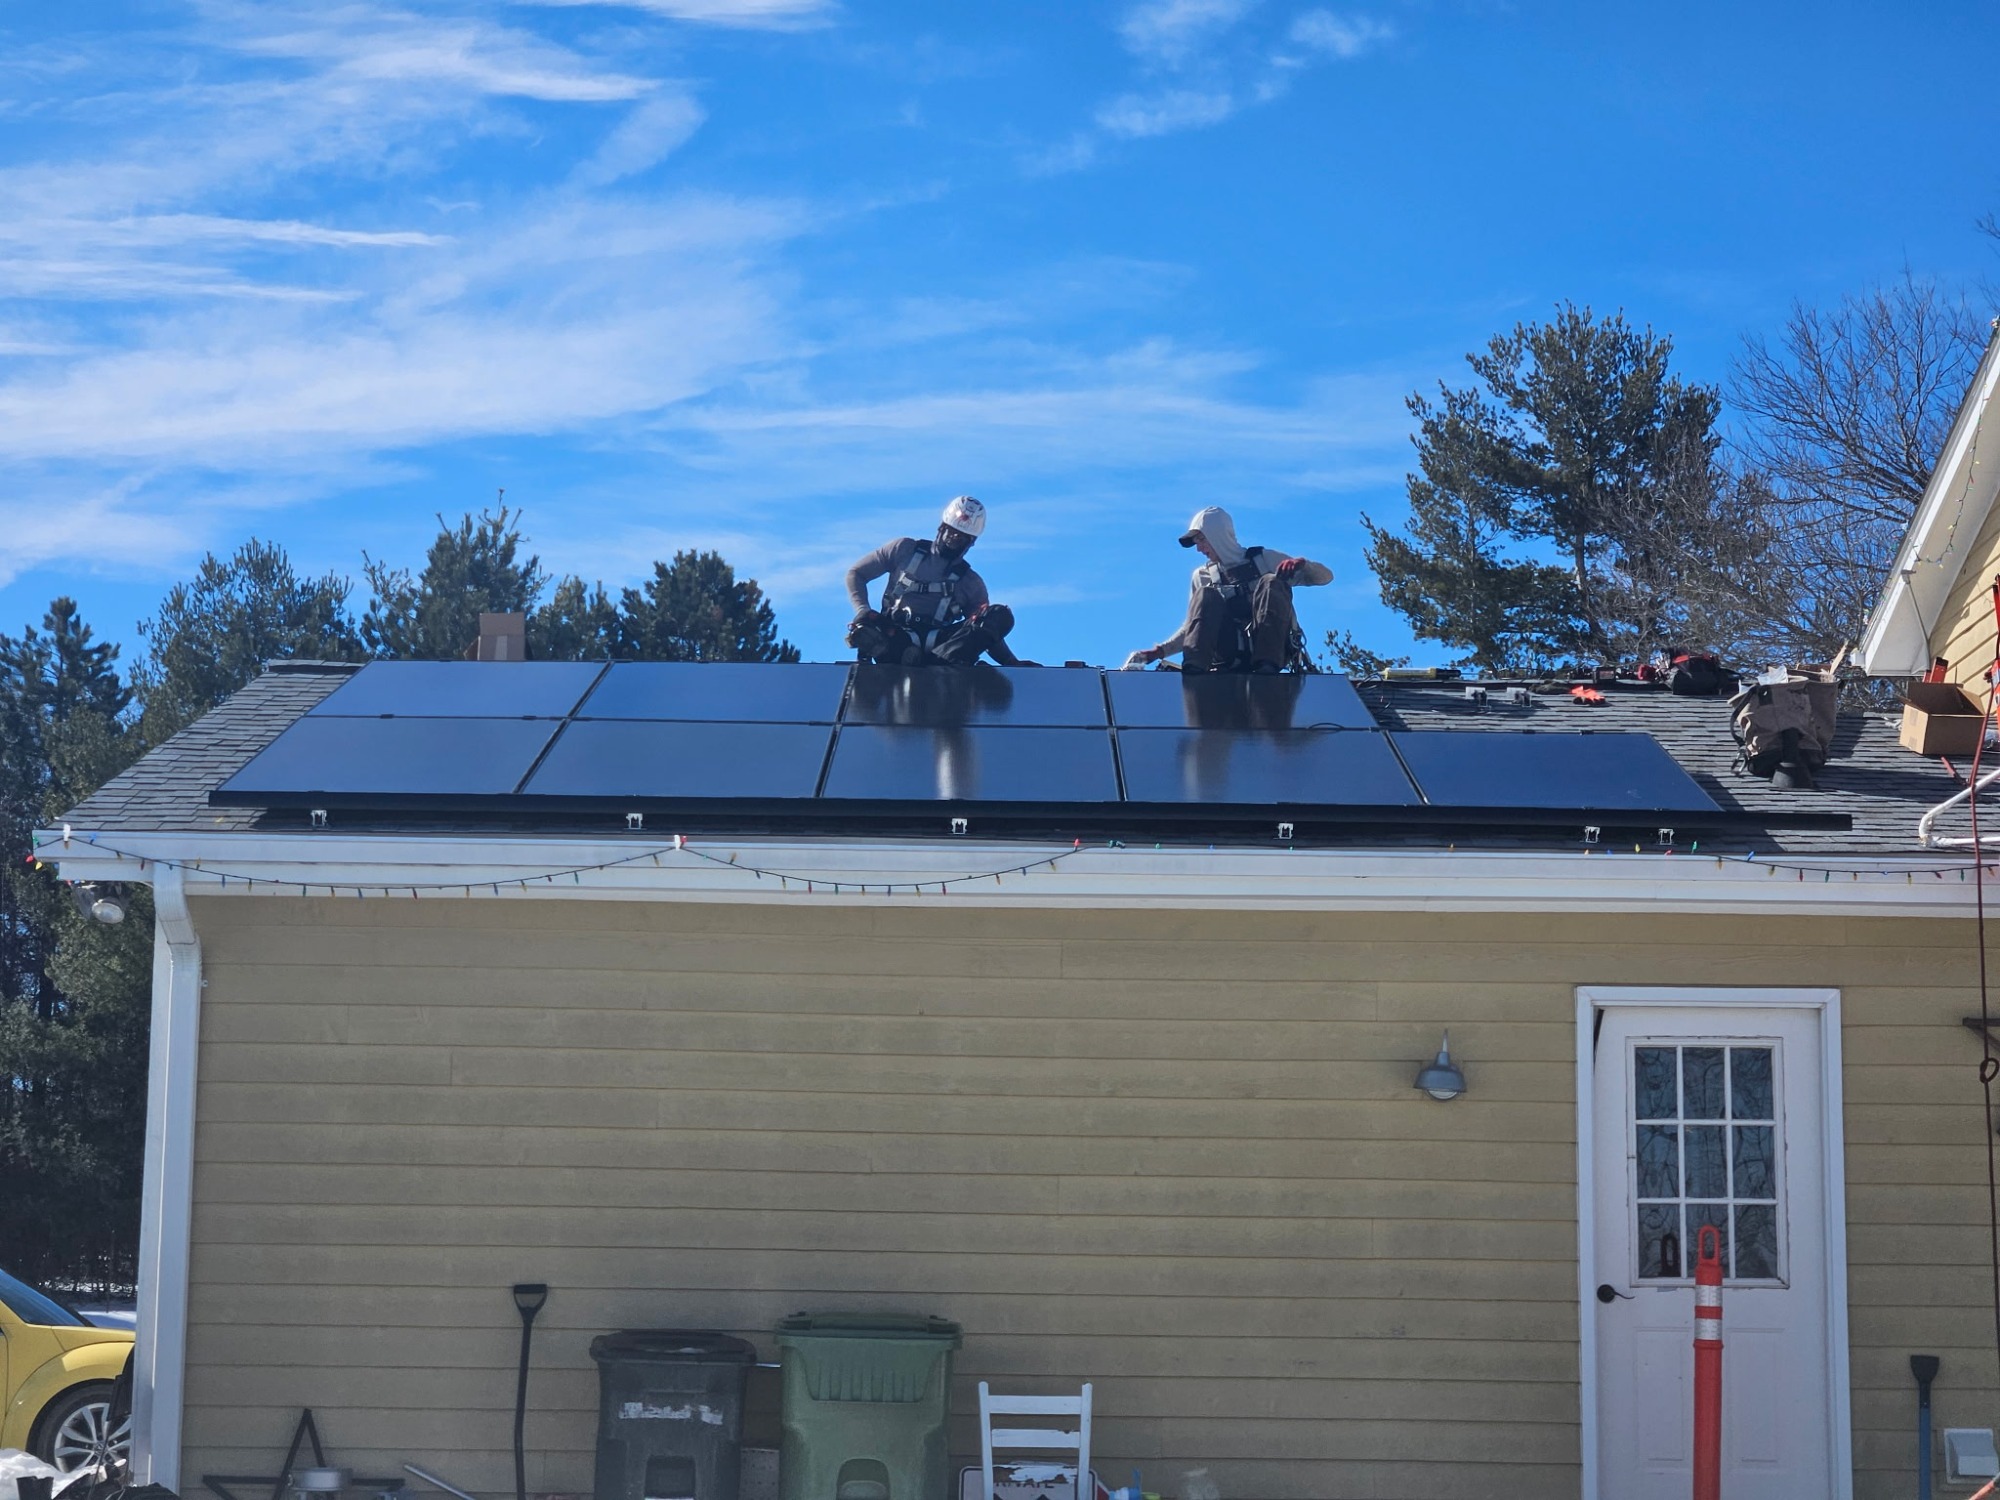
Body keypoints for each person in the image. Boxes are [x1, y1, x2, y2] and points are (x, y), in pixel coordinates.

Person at [1123, 505, 1332, 673]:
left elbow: (1325, 578)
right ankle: (1194, 670)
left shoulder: (1265, 560)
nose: (1199, 548)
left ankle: (1266, 665)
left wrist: (1303, 565)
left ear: (1218, 535)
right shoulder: (1202, 577)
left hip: (1273, 654)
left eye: (1202, 539)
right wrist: (1160, 651)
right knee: (1206, 595)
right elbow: (1193, 626)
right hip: (1228, 655)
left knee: (1271, 581)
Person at [845, 496, 1032, 666]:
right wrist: (863, 610)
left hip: (943, 647)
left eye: (961, 538)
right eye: (951, 533)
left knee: (999, 615)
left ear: (971, 542)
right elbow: (856, 573)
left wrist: (1010, 661)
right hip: (894, 636)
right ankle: (907, 655)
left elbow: (985, 630)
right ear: (941, 528)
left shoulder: (971, 583)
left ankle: (942, 662)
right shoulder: (903, 550)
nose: (954, 539)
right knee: (867, 629)